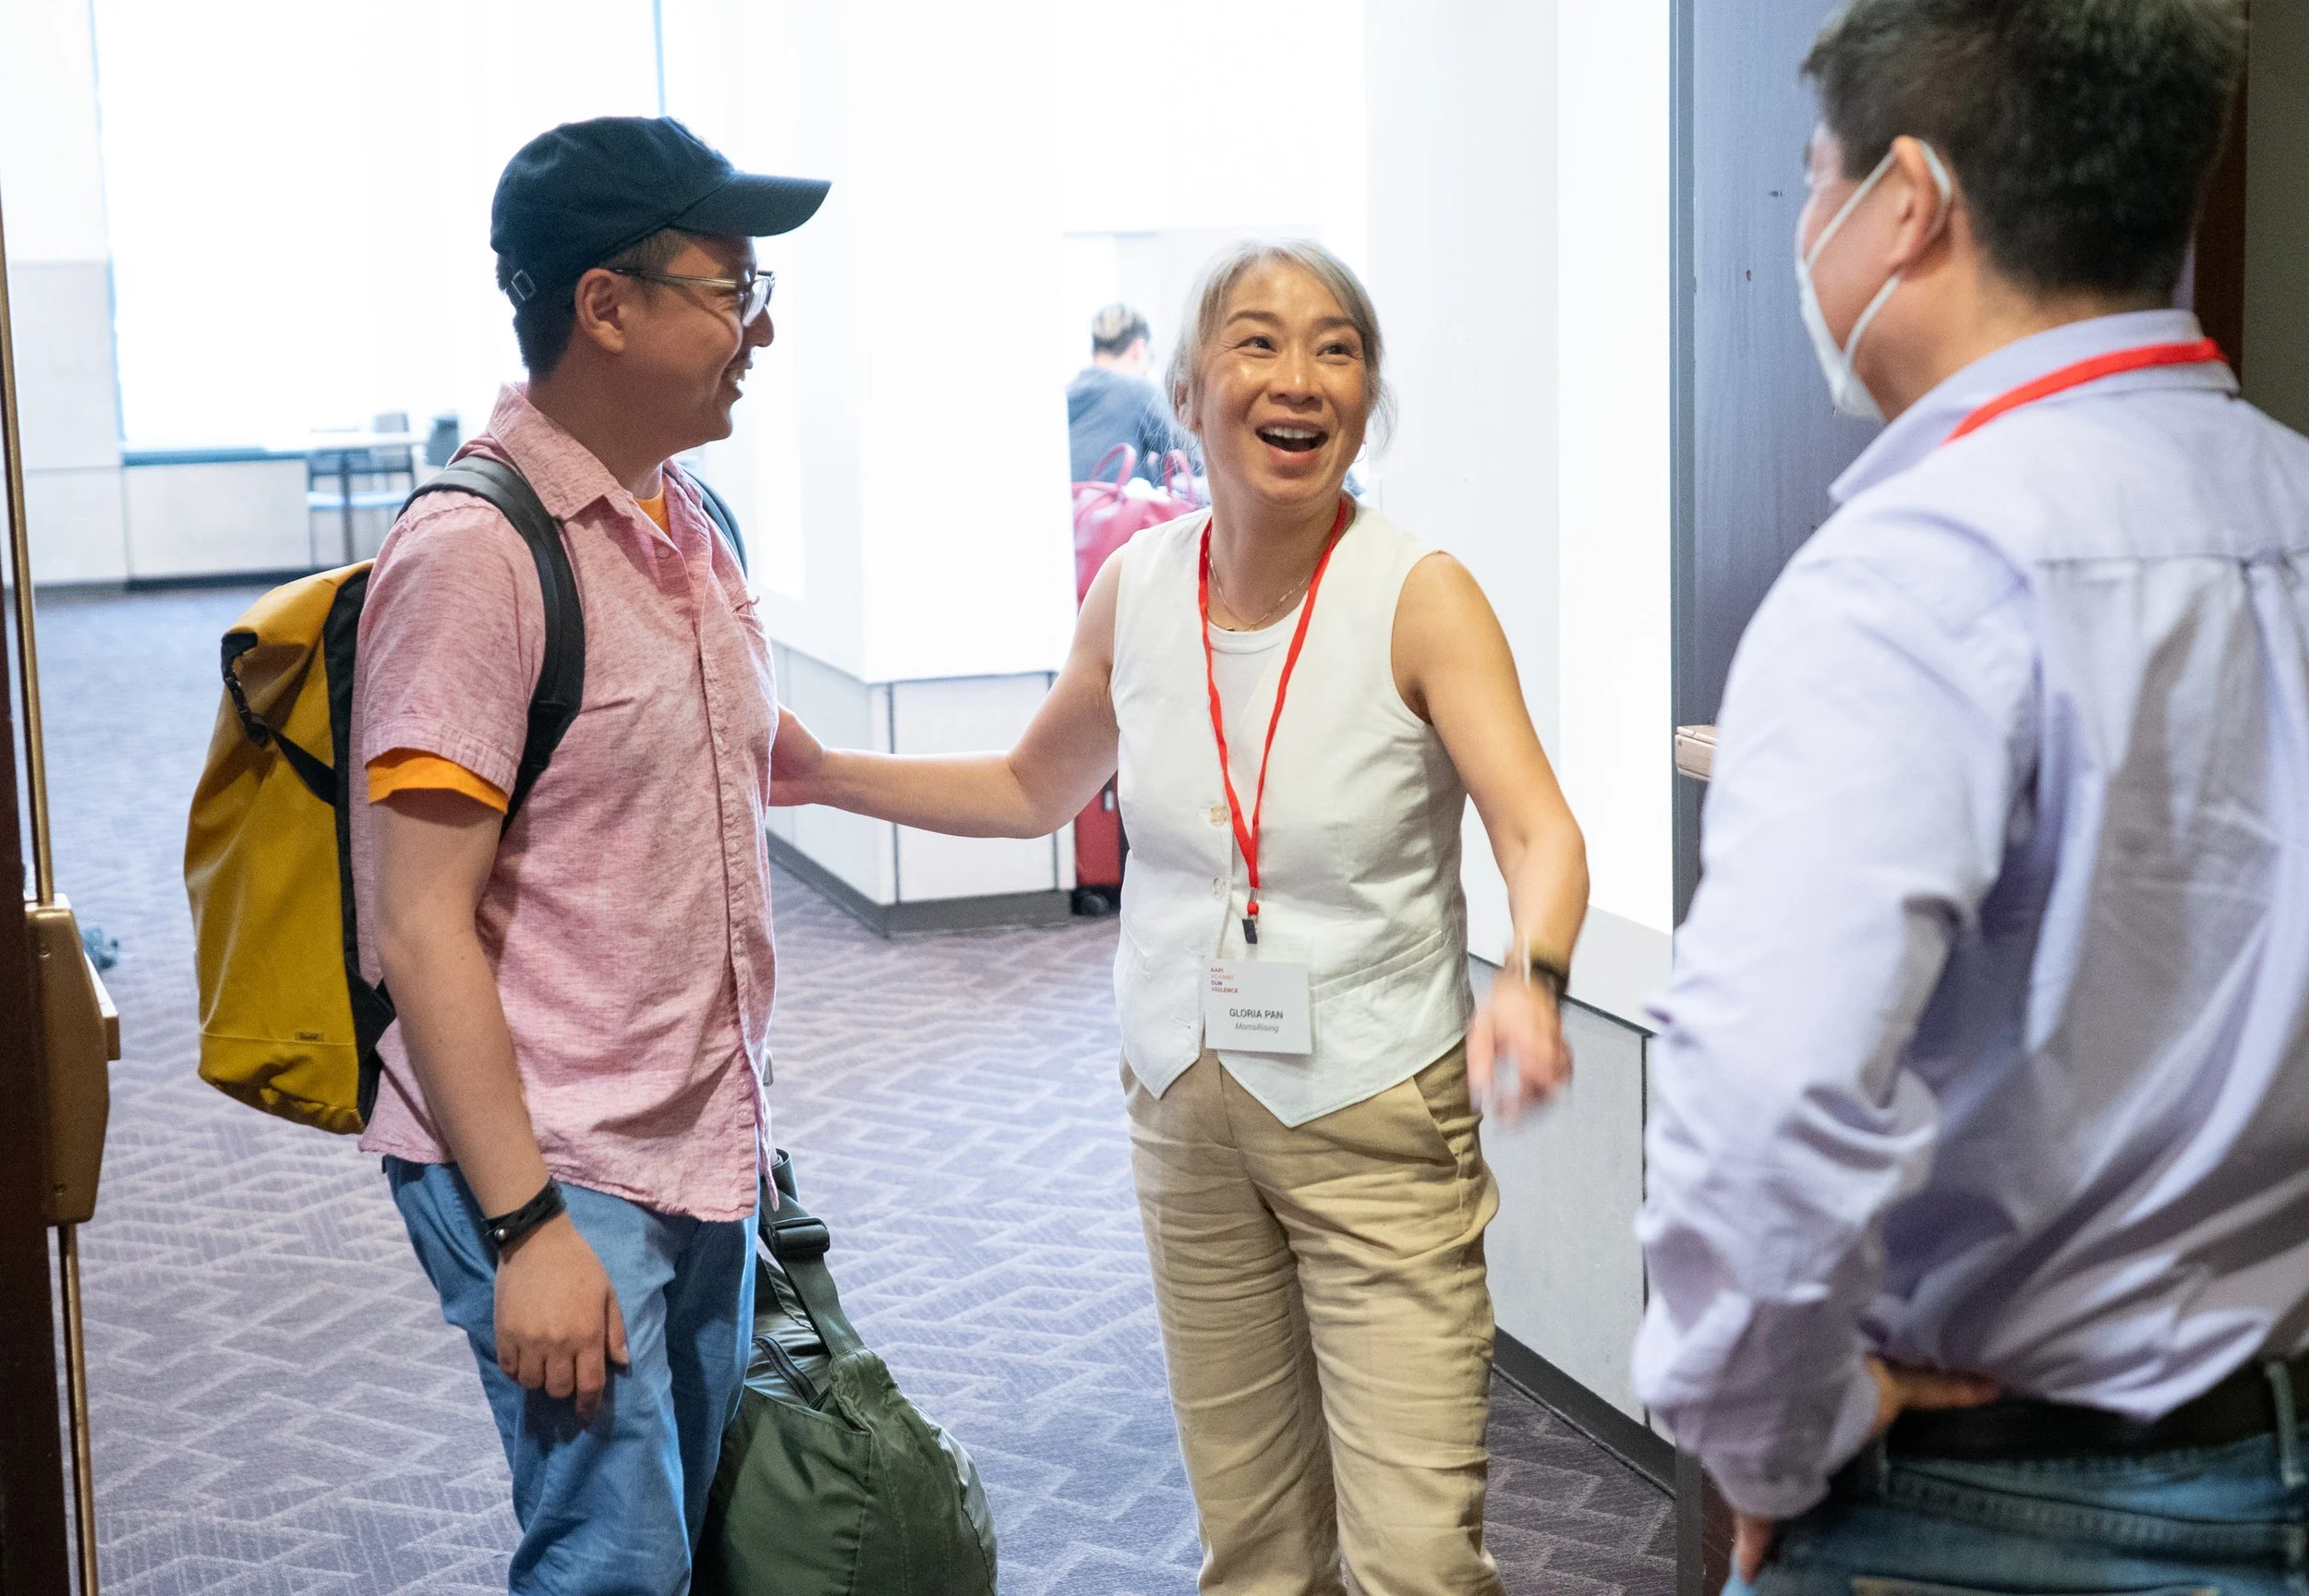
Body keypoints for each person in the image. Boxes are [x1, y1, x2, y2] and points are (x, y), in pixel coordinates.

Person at [774, 239, 1590, 1594]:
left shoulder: (1416, 593)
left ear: (1367, 397)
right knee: (1255, 1549)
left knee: (1414, 1562)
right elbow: (1036, 785)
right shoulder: (1139, 590)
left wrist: (1539, 979)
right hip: (1182, 1099)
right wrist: (827, 775)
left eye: (1337, 348)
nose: (1301, 376)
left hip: (1378, 1111)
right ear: (1190, 390)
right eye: (1260, 341)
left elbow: (1539, 830)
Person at [1632, 3, 2309, 1593]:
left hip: (1988, 1509)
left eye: (1813, 181)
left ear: (1908, 203)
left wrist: (1779, 1433)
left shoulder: (1912, 576)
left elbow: (1767, 1111)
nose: (1803, 230)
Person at [349, 116, 826, 1594]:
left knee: (683, 1538)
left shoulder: (692, 522)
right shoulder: (474, 553)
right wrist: (527, 1229)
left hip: (696, 1146)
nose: (761, 326)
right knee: (611, 1562)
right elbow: (417, 925)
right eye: (730, 287)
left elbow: (740, 781)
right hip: (552, 1160)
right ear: (603, 306)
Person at [1068, 301, 1189, 484]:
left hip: (1069, 510)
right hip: (1113, 510)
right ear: (1138, 350)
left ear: (1093, 351)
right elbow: (1192, 458)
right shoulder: (1137, 392)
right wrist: (1153, 468)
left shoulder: (1066, 395)